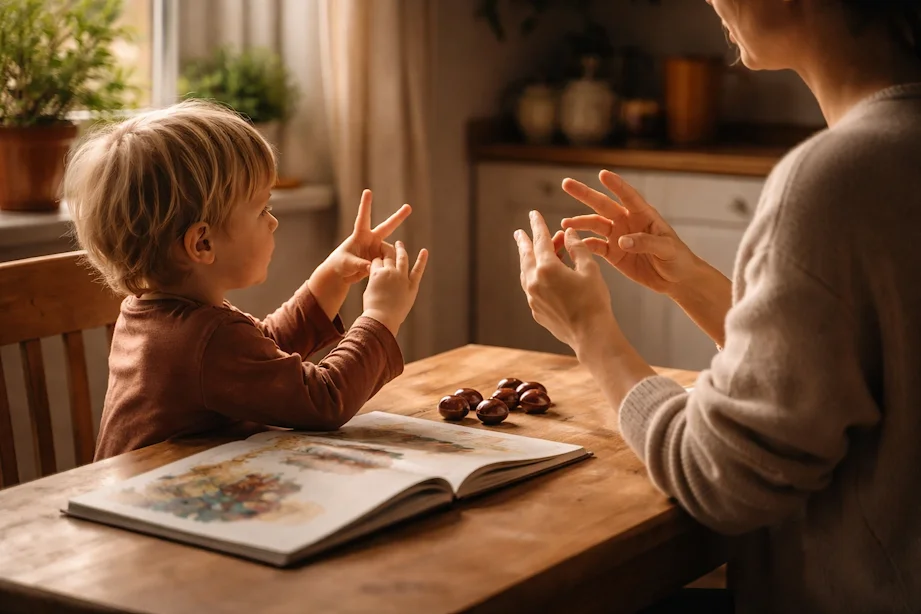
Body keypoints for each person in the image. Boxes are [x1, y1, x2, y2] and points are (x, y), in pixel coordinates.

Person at [515, 1, 921, 612]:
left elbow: (719, 476)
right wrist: (692, 284)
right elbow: (855, 368)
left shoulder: (837, 177)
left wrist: (592, 335)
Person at [63, 100, 428, 461]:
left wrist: (331, 278)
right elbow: (325, 400)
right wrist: (381, 316)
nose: (273, 222)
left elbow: (261, 354)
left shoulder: (164, 316)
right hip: (144, 510)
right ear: (202, 243)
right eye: (262, 209)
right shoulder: (204, 338)